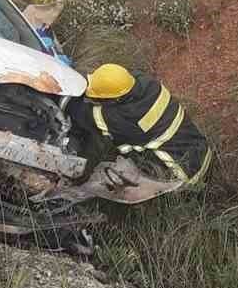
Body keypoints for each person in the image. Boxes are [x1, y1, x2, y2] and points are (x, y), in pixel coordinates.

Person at [75, 63, 211, 205]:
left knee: (111, 153)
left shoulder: (126, 118)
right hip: (201, 148)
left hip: (185, 173)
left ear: (115, 99)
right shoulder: (146, 82)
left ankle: (171, 201)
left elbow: (84, 115)